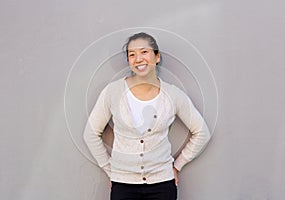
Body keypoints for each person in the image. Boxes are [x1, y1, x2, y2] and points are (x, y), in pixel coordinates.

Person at [83, 32, 211, 200]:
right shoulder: (112, 92)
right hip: (123, 186)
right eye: (132, 54)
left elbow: (202, 132)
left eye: (144, 52)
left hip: (162, 185)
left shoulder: (173, 95)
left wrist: (177, 166)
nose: (138, 59)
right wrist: (110, 169)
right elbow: (90, 134)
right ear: (128, 61)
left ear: (157, 57)